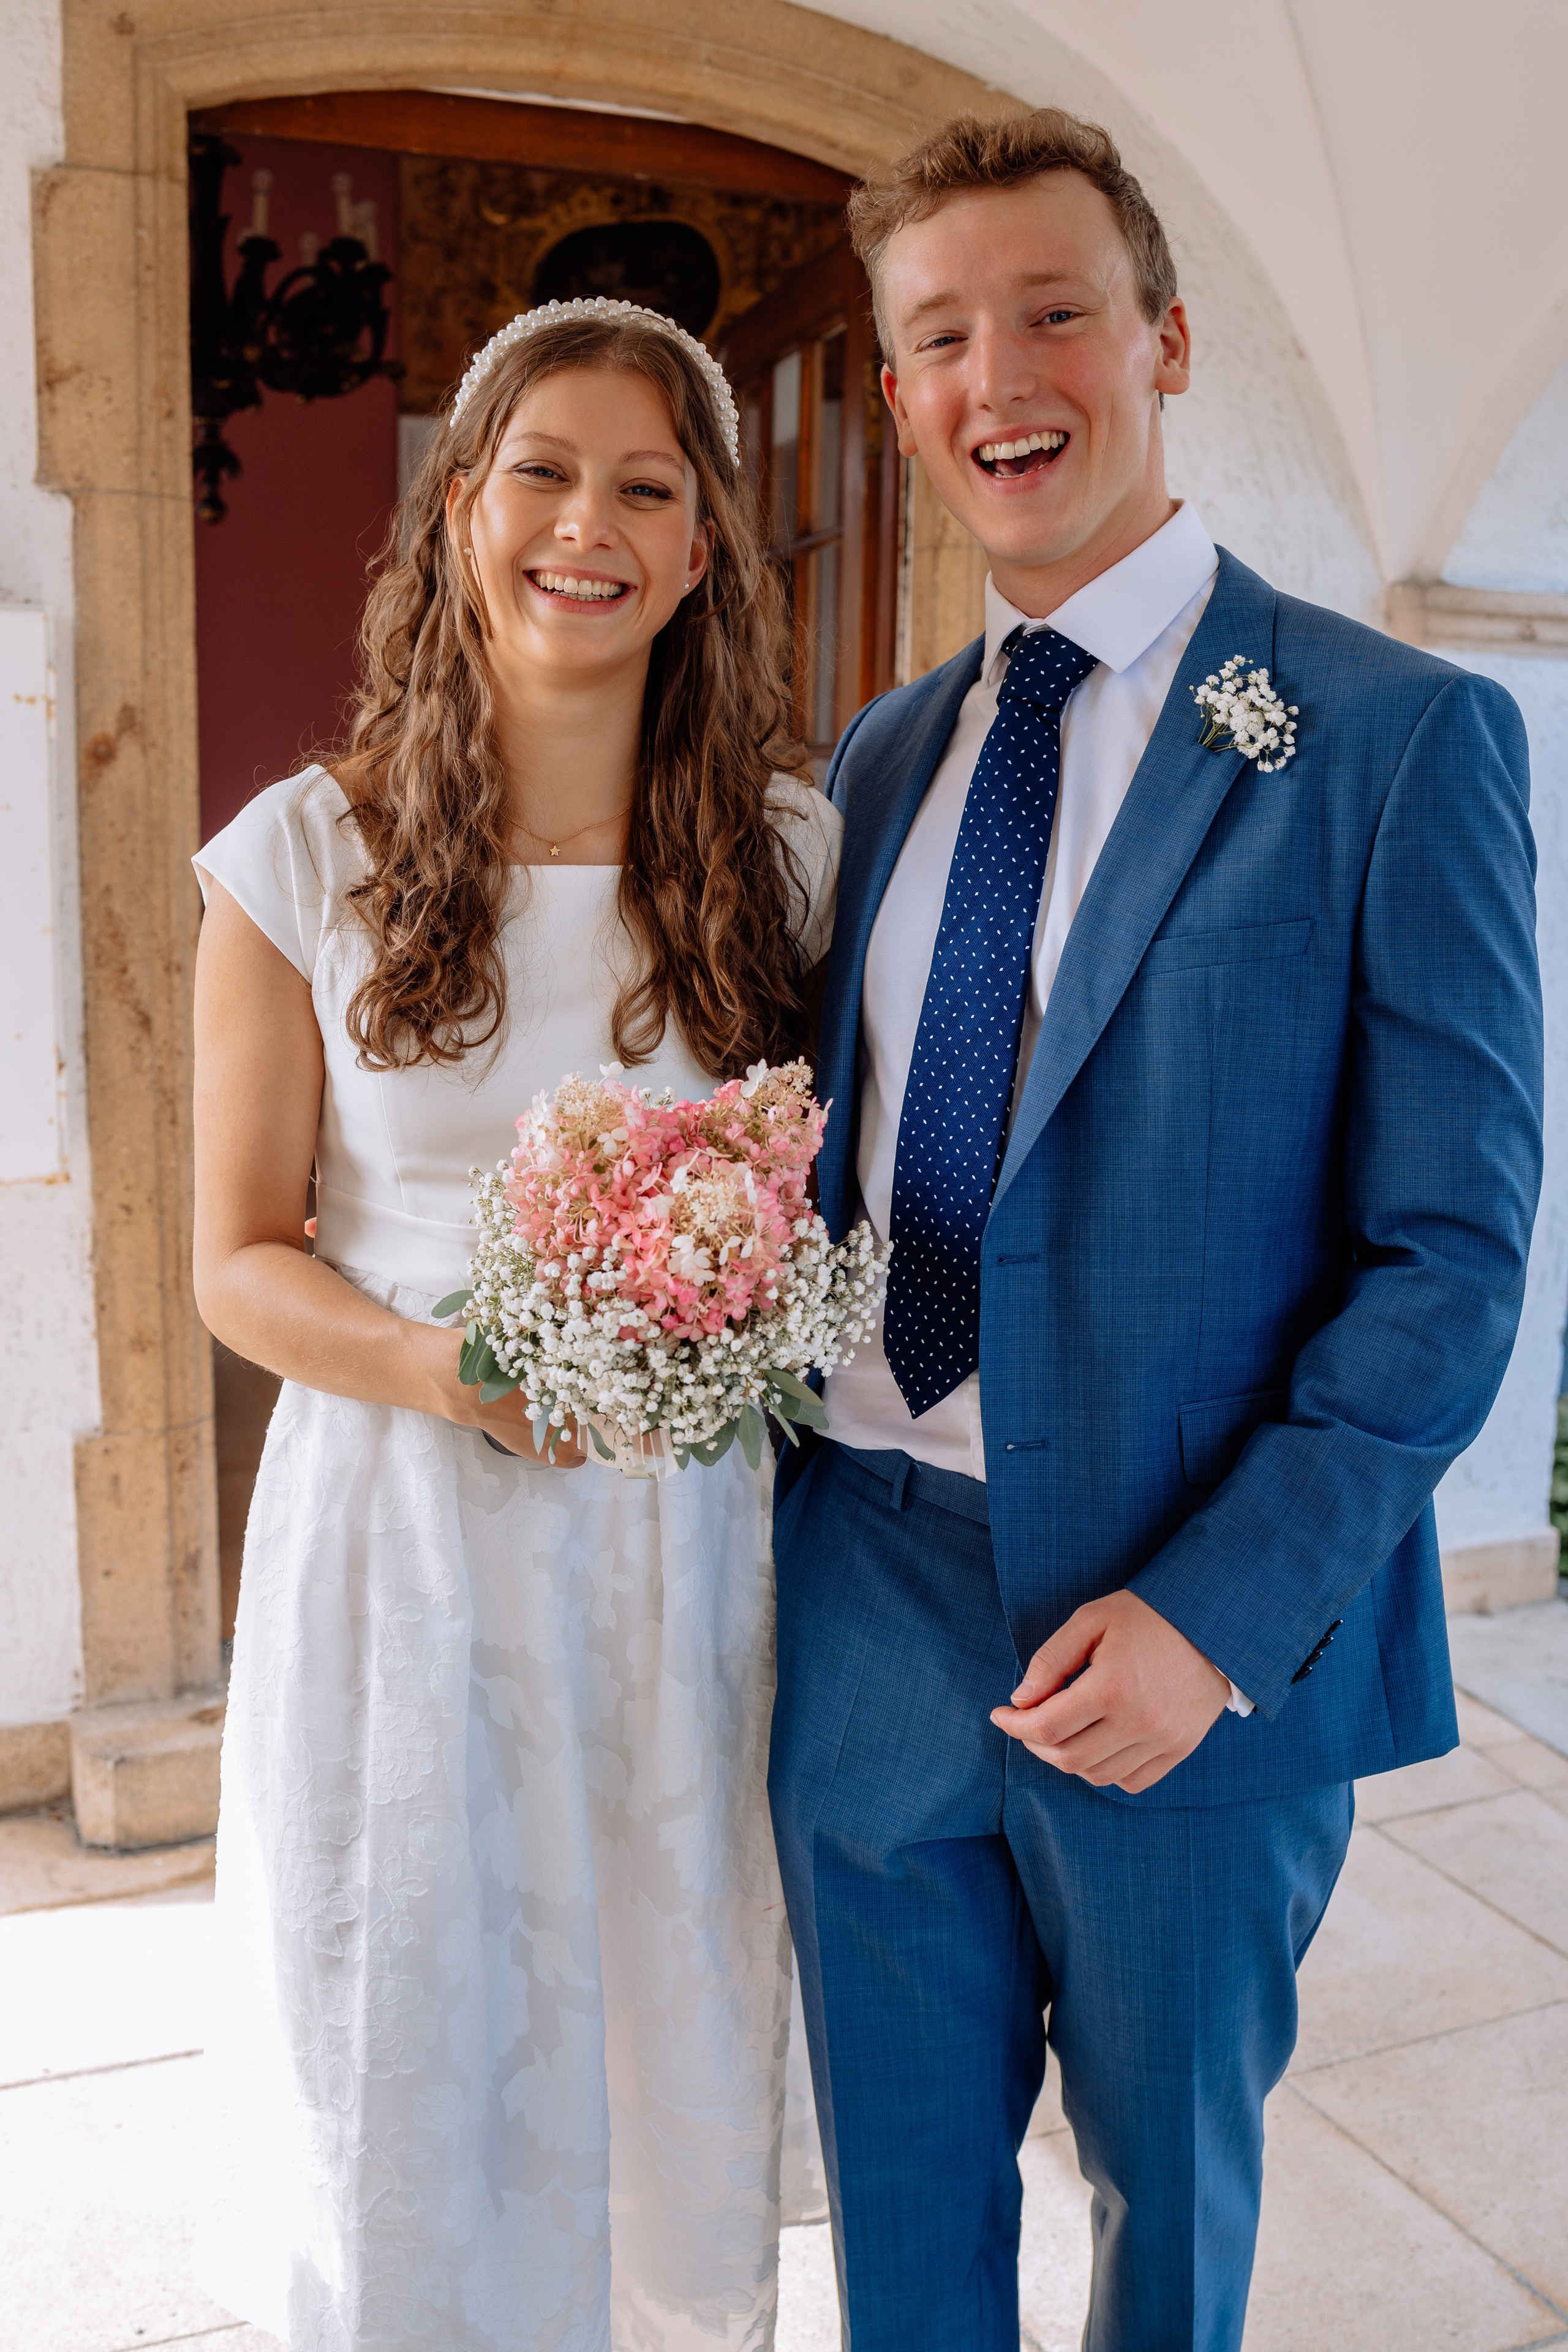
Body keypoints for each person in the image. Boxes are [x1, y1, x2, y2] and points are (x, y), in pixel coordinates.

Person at [767, 108, 1542, 2352]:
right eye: (942, 336)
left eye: (1053, 311)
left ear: (1164, 341)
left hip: (1187, 1630)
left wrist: (1216, 1616)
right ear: (904, 398)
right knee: (903, 2233)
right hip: (870, 1587)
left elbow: (1454, 1257)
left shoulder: (1396, 736)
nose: (1000, 371)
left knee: (1165, 2214)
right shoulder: (884, 756)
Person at [190, 300, 840, 2351]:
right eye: (543, 471)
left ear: (707, 546)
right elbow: (239, 1254)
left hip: (683, 1551)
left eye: (649, 486)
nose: (592, 522)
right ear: (460, 507)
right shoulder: (304, 856)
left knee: (662, 2045)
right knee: (420, 2040)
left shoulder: (789, 854)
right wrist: (441, 1370)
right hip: (404, 1536)